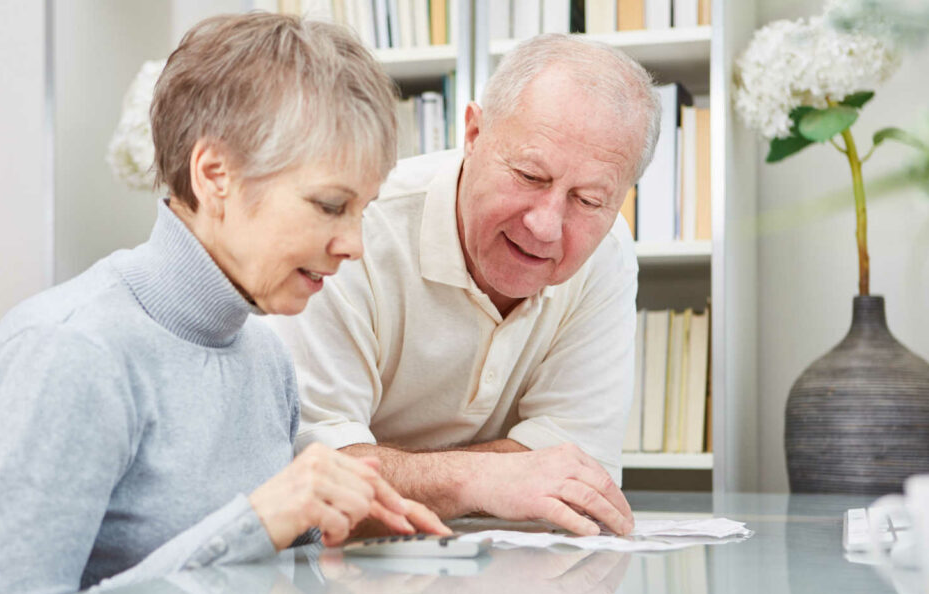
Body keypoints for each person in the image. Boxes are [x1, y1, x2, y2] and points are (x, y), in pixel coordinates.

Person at [0, 12, 447, 594]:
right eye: (330, 205)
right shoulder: (67, 353)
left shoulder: (264, 356)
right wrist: (256, 522)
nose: (354, 245)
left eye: (363, 210)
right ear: (215, 176)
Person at [268, 33, 661, 537]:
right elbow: (317, 478)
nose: (546, 226)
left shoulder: (606, 251)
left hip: (502, 580)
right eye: (530, 176)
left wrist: (403, 472)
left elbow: (580, 474)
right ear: (473, 134)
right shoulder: (354, 230)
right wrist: (480, 478)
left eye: (587, 201)